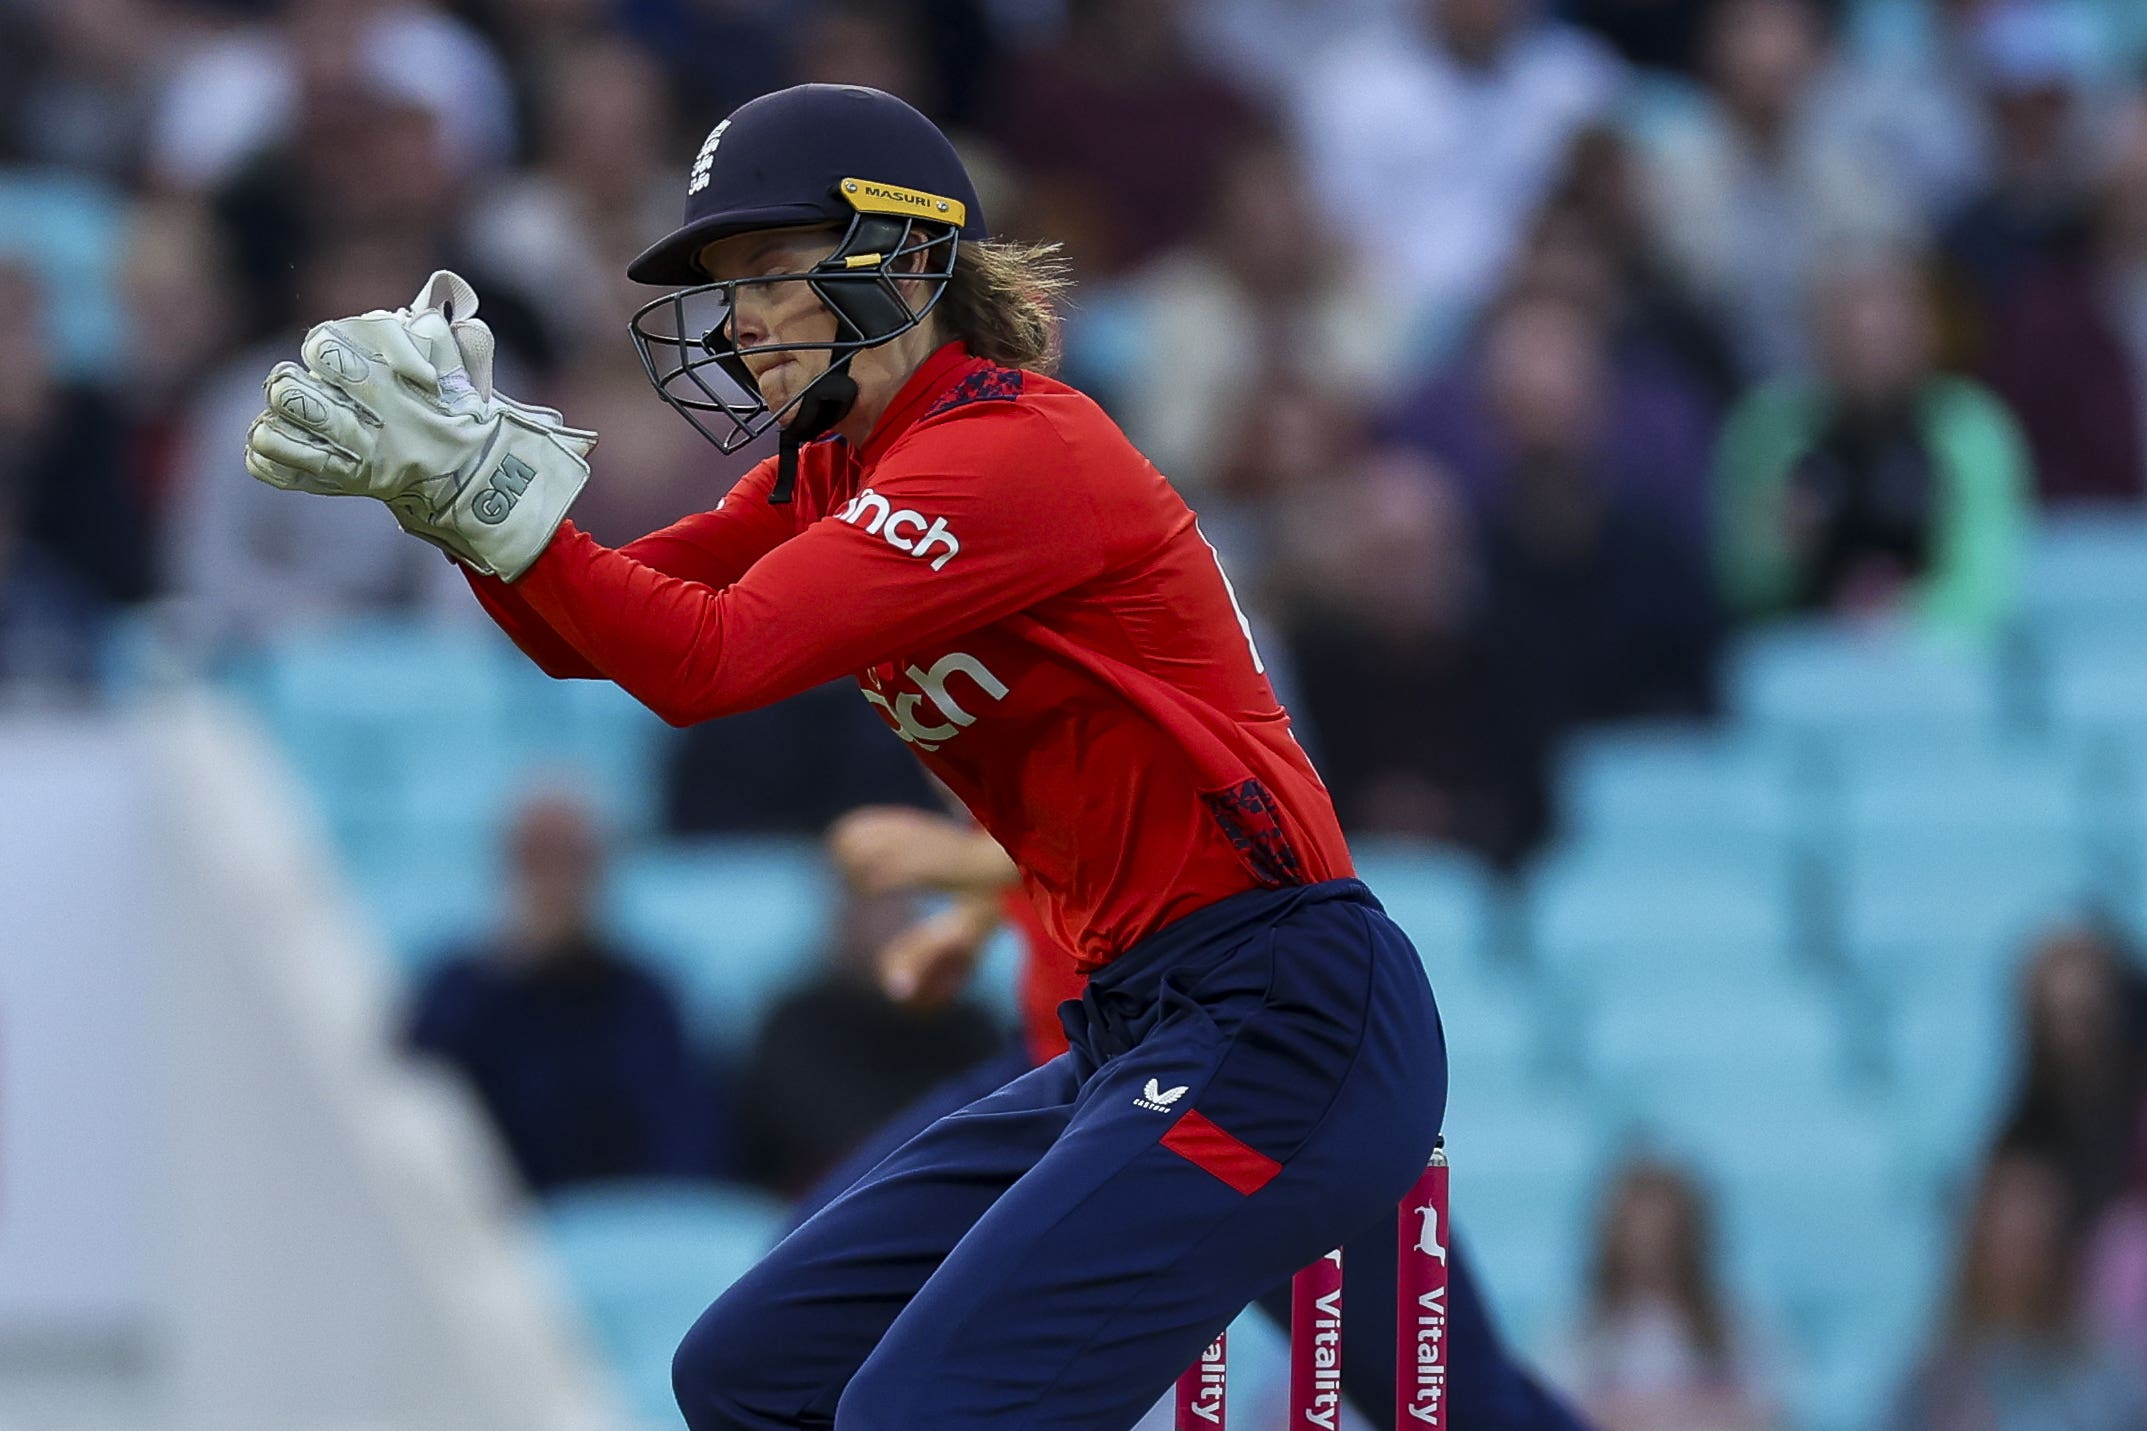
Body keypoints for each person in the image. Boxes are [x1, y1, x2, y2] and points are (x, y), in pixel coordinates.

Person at [240, 82, 1473, 1431]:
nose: (738, 317)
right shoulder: (835, 470)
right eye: (725, 284)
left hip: (1283, 1015)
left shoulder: (1009, 451)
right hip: (1143, 1026)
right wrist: (456, 503)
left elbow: (705, 659)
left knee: (925, 1412)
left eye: (769, 269)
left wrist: (489, 493)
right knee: (749, 1372)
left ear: (901, 256)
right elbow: (593, 632)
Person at [815, 805, 1591, 1430]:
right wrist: (973, 917)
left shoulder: (1148, 639)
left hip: (1248, 1088)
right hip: (1071, 1081)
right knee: (799, 1309)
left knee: (1457, 1403)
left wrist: (974, 859)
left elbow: (1193, 821)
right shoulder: (982, 661)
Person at [404, 788, 718, 1193]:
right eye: (537, 858)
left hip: (620, 1219)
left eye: (574, 860)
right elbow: (424, 1124)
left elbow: (683, 1134)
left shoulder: (647, 997)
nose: (557, 880)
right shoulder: (457, 993)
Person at [1892, 1149, 2147, 1430]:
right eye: (2005, 1229)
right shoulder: (1932, 1363)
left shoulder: (2094, 1361)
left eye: (2031, 1232)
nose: (2015, 1251)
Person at [1545, 1158, 1779, 1431]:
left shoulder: (1738, 1328)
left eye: (1662, 1230)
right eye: (1638, 1229)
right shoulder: (1576, 1333)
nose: (1649, 1243)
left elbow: (1772, 1411)